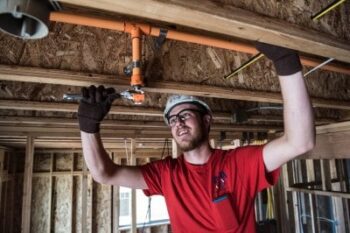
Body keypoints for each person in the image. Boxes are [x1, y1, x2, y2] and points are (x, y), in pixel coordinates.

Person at [78, 42, 315, 233]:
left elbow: (300, 141)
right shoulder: (166, 175)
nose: (178, 123)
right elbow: (103, 173)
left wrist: (286, 62)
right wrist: (88, 126)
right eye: (172, 120)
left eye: (185, 115)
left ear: (206, 120)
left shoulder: (238, 164)